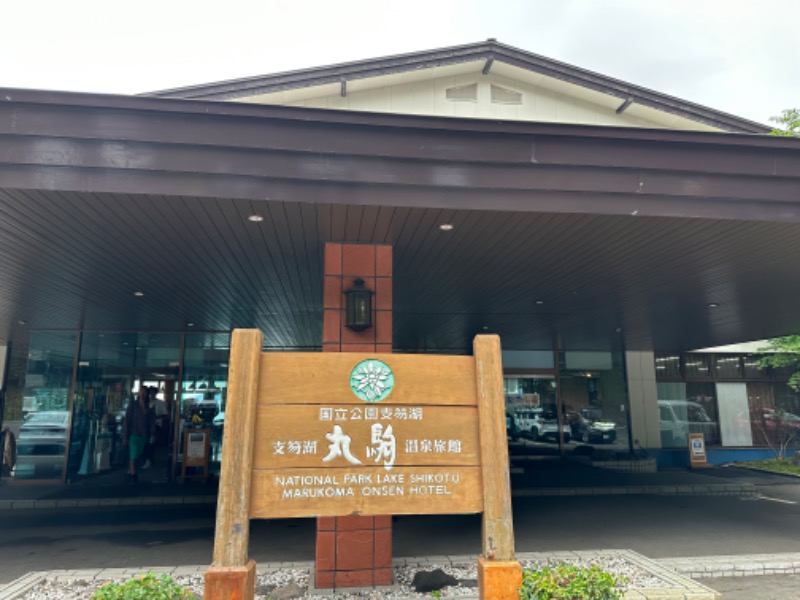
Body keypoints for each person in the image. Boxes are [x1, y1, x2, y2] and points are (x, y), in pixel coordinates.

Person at [123, 386, 155, 483]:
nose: (143, 394)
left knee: (136, 455)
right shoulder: (133, 405)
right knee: (133, 454)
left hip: (143, 435)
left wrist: (152, 434)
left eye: (145, 392)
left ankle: (131, 471)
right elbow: (127, 420)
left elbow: (151, 422)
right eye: (141, 392)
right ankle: (133, 474)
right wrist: (125, 434)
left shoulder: (149, 407)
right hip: (134, 433)